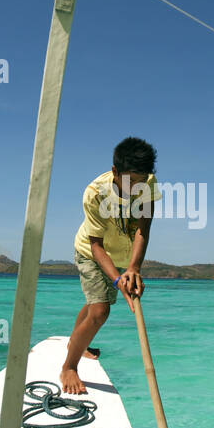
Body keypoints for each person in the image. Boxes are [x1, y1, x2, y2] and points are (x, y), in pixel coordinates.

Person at [60, 137, 160, 394]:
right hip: (92, 252)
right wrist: (117, 279)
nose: (136, 187)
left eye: (141, 180)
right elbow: (96, 245)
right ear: (115, 172)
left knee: (98, 301)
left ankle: (76, 341)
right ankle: (69, 366)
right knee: (101, 310)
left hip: (121, 256)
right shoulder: (95, 193)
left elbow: (143, 229)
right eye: (130, 181)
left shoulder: (148, 183)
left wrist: (133, 268)